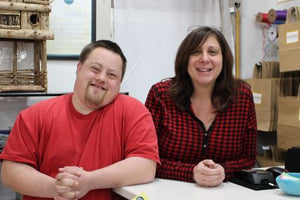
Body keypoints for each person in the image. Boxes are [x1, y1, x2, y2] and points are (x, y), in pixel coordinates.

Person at [0, 40, 160, 200]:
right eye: (95, 69)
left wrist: (89, 181)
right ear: (79, 68)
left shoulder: (134, 112)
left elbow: (145, 166)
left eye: (112, 75)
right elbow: (10, 172)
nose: (102, 78)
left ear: (119, 83)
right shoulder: (35, 115)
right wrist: (56, 189)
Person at [145, 26, 257, 187]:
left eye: (212, 52)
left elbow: (248, 158)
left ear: (224, 59)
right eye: (196, 52)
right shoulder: (160, 95)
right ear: (185, 59)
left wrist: (223, 170)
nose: (204, 58)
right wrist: (191, 172)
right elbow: (146, 159)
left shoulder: (242, 96)